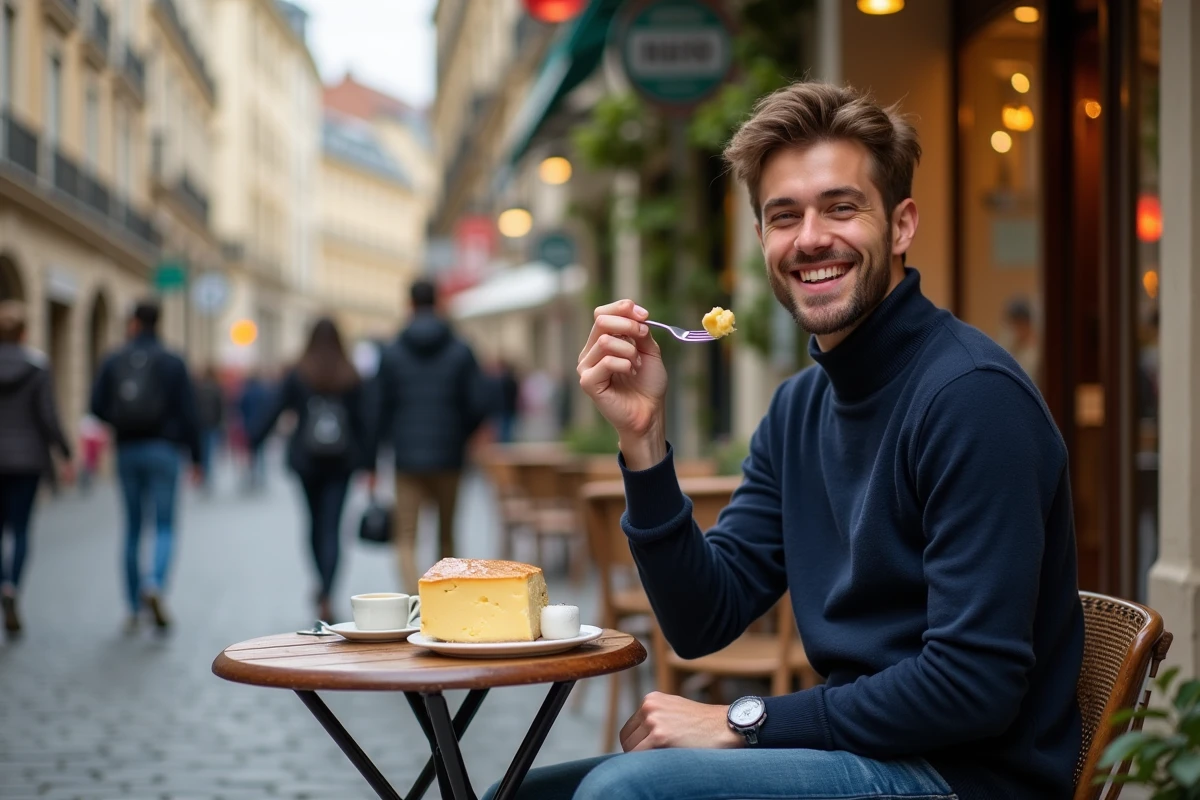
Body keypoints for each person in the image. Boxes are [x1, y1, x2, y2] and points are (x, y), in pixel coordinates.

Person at [493, 82, 1084, 800]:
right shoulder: (800, 406)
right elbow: (703, 619)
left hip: (964, 777)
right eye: (784, 216)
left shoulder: (972, 397)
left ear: (900, 226)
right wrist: (643, 441)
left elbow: (973, 685)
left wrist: (744, 722)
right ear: (763, 241)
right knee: (524, 793)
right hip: (863, 750)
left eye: (841, 207)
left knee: (627, 794)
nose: (810, 238)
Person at [90, 300, 202, 633]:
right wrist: (197, 458)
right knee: (165, 525)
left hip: (127, 451)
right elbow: (189, 413)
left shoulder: (114, 359)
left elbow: (96, 407)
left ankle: (132, 605)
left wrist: (123, 425)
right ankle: (154, 582)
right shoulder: (172, 361)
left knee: (133, 528)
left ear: (134, 322)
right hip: (165, 450)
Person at [249, 318, 368, 622]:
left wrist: (253, 439)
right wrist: (370, 462)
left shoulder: (299, 372)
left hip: (307, 461)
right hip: (342, 463)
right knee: (333, 527)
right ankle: (328, 590)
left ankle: (321, 585)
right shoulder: (351, 374)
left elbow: (276, 408)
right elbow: (365, 421)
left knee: (314, 525)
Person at [372, 279, 487, 592]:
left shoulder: (392, 351)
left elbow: (377, 408)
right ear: (438, 303)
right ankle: (446, 601)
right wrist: (459, 433)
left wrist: (376, 453)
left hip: (407, 459)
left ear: (409, 304)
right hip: (450, 456)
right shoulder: (461, 349)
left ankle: (415, 600)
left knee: (405, 536)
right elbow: (479, 402)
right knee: (447, 534)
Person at [0, 301, 72, 634]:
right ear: (24, 333)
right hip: (28, 459)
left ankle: (3, 582)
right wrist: (66, 452)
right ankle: (13, 586)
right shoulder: (37, 366)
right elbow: (48, 415)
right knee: (21, 528)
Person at [194, 365, 225, 493]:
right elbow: (220, 408)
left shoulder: (198, 388)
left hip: (201, 424)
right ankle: (207, 477)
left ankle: (204, 476)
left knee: (203, 451)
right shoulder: (216, 388)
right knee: (209, 452)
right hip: (212, 424)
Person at [238, 371, 270, 491]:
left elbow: (240, 408)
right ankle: (261, 475)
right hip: (262, 425)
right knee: (261, 452)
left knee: (251, 453)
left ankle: (252, 476)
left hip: (249, 425)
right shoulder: (264, 392)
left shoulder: (246, 393)